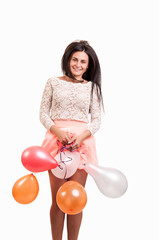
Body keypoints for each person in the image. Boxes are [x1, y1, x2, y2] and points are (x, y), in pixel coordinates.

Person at [39, 40, 103, 240]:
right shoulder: (53, 82)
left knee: (75, 201)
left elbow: (97, 119)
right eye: (75, 59)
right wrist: (58, 132)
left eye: (83, 62)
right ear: (67, 60)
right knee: (58, 200)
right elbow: (43, 114)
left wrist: (82, 137)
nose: (78, 65)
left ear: (88, 65)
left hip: (81, 146)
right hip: (56, 145)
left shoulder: (92, 87)